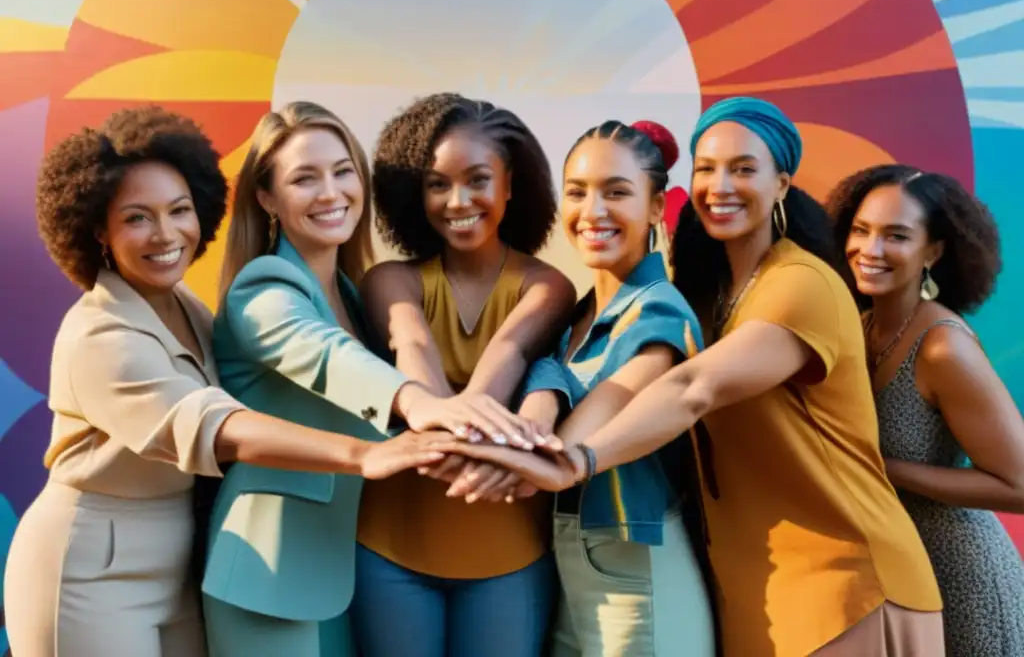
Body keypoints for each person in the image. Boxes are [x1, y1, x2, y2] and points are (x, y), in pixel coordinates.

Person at [444, 99, 946, 656]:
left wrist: (571, 461)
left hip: (844, 576)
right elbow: (569, 367)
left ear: (782, 183)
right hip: (755, 579)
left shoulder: (801, 283)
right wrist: (542, 397)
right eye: (706, 169)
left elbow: (690, 389)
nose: (720, 185)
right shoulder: (710, 297)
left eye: (743, 169)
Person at [4, 107, 450, 657]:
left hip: (182, 558)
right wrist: (362, 453)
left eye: (180, 210)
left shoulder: (185, 306)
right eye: (138, 218)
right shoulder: (100, 333)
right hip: (92, 562)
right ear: (98, 228)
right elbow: (214, 425)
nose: (166, 234)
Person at [199, 102, 538, 657]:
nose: (331, 193)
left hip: (340, 573)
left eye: (342, 171)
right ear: (267, 199)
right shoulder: (261, 288)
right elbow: (326, 356)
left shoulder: (353, 294)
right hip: (270, 569)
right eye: (304, 178)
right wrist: (420, 402)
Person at [447, 120, 715, 655]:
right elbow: (551, 378)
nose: (592, 212)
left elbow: (611, 403)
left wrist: (501, 455)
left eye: (616, 192)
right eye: (577, 192)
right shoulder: (581, 311)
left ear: (657, 206)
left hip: (637, 572)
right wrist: (537, 411)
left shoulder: (659, 306)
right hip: (572, 569)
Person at [350, 93, 576, 656]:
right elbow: (414, 351)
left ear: (510, 185)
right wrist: (468, 432)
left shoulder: (548, 286)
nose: (458, 201)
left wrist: (450, 429)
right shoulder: (390, 280)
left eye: (478, 180)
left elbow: (505, 360)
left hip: (510, 559)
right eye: (436, 184)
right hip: (389, 552)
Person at [828, 163, 1024, 656]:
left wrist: (883, 468)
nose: (870, 250)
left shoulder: (942, 348)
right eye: (861, 230)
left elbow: (1020, 486)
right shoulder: (857, 324)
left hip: (961, 578)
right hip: (894, 579)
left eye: (895, 235)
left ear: (932, 251)